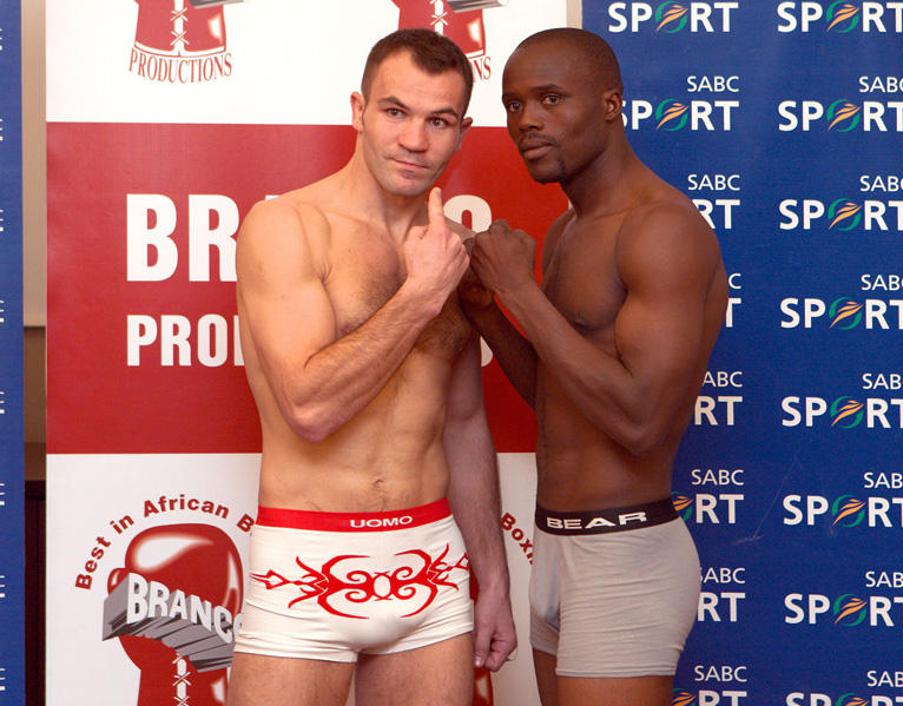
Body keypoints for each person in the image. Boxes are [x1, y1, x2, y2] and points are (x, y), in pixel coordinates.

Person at [228, 29, 515, 706]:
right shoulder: (287, 226)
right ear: (358, 110)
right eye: (395, 112)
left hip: (430, 570)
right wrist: (420, 295)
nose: (414, 140)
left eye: (438, 121)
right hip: (306, 565)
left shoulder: (452, 251)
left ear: (462, 133)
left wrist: (494, 578)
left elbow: (463, 423)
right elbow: (310, 407)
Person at [459, 28, 728, 706]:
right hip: (554, 547)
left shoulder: (661, 228)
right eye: (514, 104)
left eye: (551, 98)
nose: (527, 121)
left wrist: (520, 290)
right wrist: (489, 311)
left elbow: (640, 421)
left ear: (610, 104)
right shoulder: (567, 230)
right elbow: (560, 396)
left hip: (624, 553)